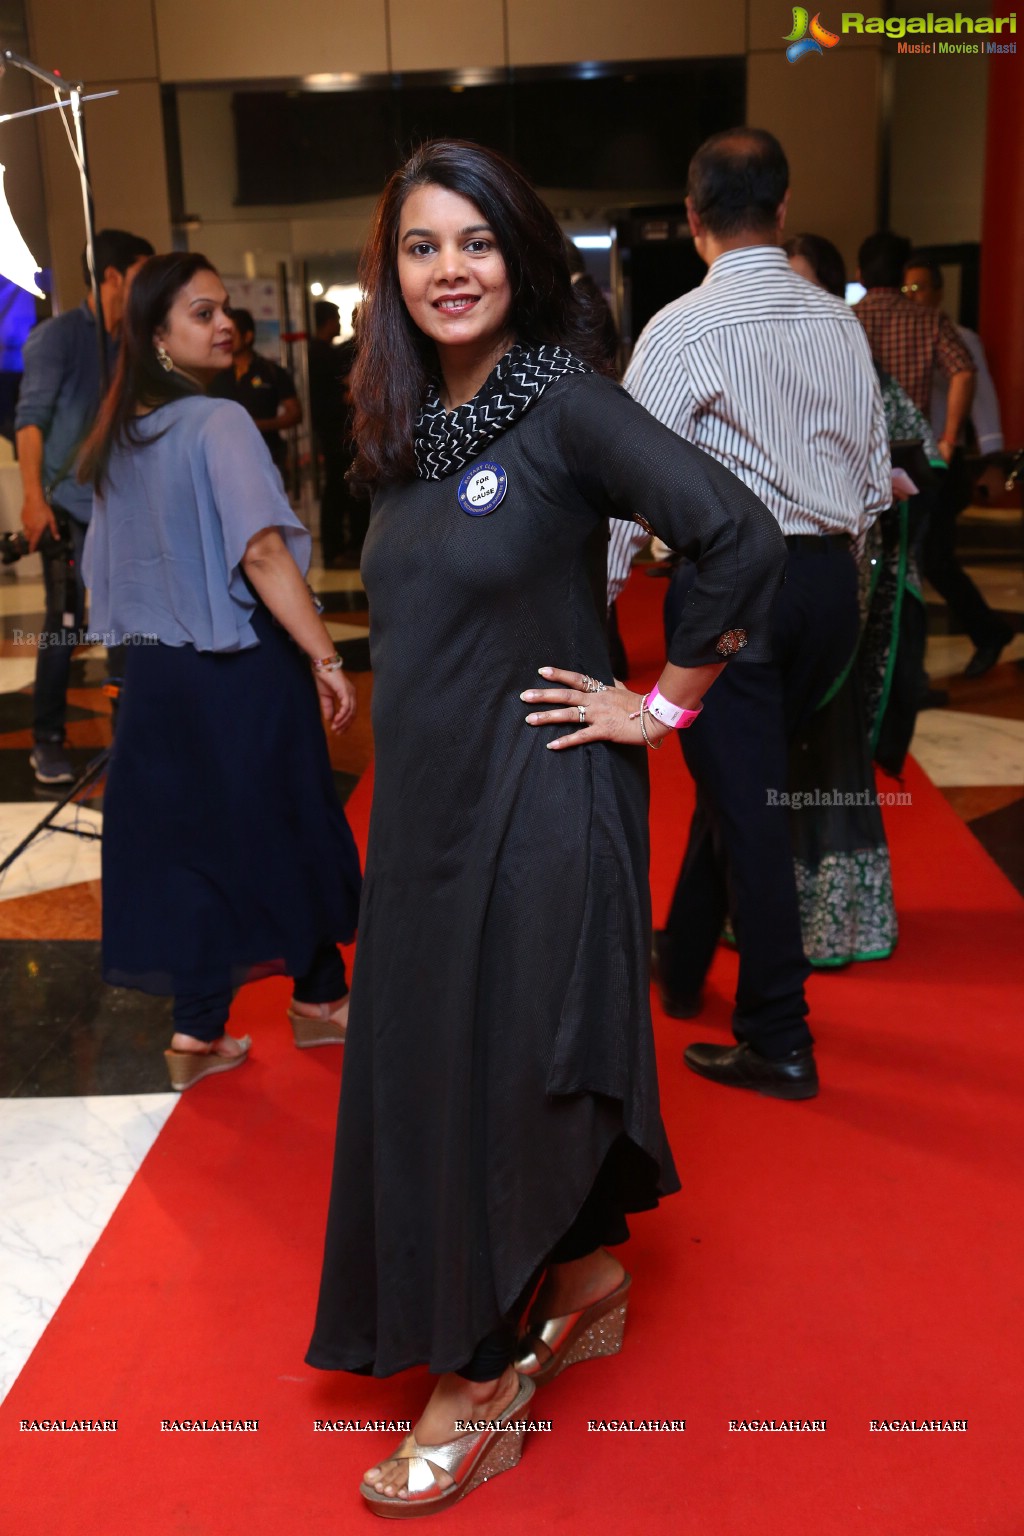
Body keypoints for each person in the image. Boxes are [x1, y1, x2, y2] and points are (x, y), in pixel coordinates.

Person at [305, 139, 786, 1517]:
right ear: (389, 275)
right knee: (438, 1061)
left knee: (493, 1077)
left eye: (475, 241)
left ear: (518, 256)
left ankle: (480, 1381)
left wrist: (664, 706)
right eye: (420, 247)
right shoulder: (403, 432)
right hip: (429, 821)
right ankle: (585, 1274)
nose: (449, 270)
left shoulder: (566, 401)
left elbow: (736, 532)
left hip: (544, 803)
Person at [626, 130, 891, 1099]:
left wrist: (599, 597)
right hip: (824, 586)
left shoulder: (679, 331)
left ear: (693, 221)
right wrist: (843, 586)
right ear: (781, 213)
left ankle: (778, 1037)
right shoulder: (836, 322)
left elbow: (629, 484)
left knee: (749, 811)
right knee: (744, 788)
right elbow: (869, 481)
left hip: (735, 589)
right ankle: (685, 957)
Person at [79, 253, 362, 1091]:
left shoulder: (118, 435)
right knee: (289, 823)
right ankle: (319, 1001)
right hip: (240, 674)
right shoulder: (220, 422)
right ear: (158, 336)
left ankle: (197, 1033)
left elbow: (106, 570)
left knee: (189, 851)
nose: (225, 323)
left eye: (225, 308)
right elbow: (265, 551)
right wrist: (326, 655)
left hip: (157, 684)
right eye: (202, 313)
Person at [783, 232, 899, 966]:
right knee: (778, 752)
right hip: (783, 580)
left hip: (840, 574)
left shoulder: (849, 351)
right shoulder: (775, 357)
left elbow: (895, 446)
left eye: (802, 284)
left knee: (829, 743)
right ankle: (776, 909)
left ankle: (840, 919)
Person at [14, 227, 154, 784]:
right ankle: (47, 737)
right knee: (63, 625)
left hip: (122, 506)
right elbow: (31, 421)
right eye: (141, 273)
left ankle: (130, 734)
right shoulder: (59, 339)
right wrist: (31, 499)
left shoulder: (137, 342)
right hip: (66, 507)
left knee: (128, 622)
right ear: (114, 275)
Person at [901, 252, 1015, 677]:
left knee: (935, 558)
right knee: (930, 559)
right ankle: (985, 632)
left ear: (939, 290)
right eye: (907, 289)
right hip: (911, 464)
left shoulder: (960, 336)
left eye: (921, 288)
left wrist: (991, 461)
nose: (914, 296)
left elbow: (981, 397)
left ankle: (987, 632)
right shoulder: (901, 333)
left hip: (945, 464)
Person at [209, 305, 302, 477]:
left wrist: (259, 425)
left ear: (248, 336)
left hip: (267, 453)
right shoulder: (214, 372)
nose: (226, 339)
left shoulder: (271, 371)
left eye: (231, 334)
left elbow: (295, 413)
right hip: (223, 456)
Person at [307, 299, 364, 565]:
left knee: (341, 489)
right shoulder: (333, 354)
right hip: (340, 433)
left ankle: (342, 547)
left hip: (337, 432)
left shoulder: (328, 351)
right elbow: (346, 395)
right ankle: (341, 548)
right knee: (341, 490)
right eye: (339, 317)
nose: (342, 323)